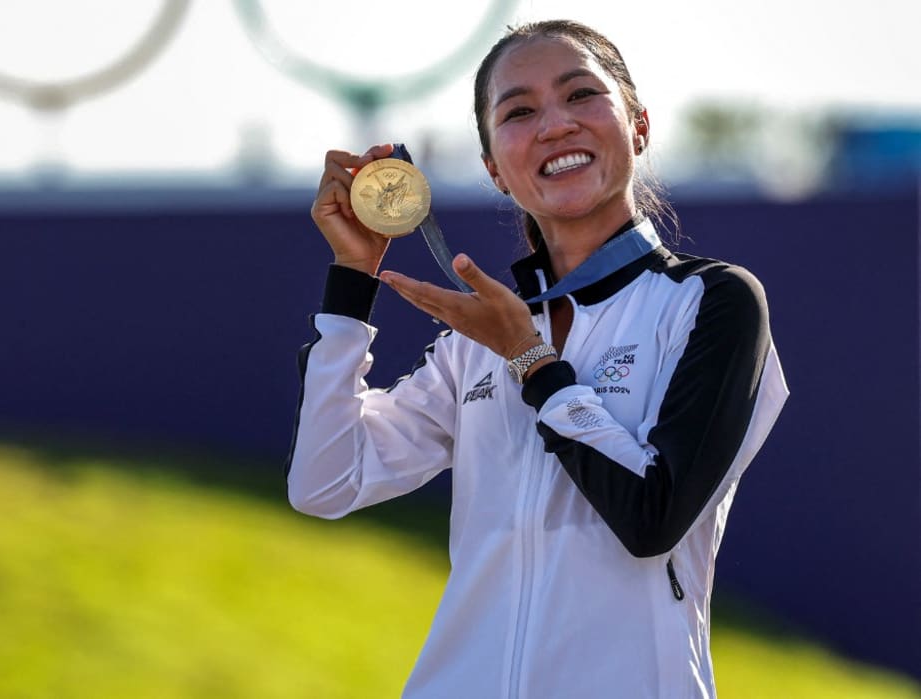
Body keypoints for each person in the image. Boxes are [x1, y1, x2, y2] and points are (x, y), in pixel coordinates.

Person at [286, 19, 788, 699]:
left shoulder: (712, 300)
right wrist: (351, 280)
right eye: (519, 111)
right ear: (495, 168)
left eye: (581, 95)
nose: (554, 125)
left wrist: (531, 359)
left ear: (638, 126)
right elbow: (324, 481)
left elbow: (652, 518)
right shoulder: (477, 340)